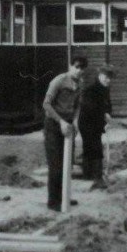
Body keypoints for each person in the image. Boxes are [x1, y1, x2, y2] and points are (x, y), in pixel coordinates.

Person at [42, 56, 87, 211]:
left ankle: (64, 196)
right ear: (70, 66)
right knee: (55, 165)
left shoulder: (80, 84)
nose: (79, 70)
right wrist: (60, 121)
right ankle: (53, 201)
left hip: (68, 126)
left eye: (82, 68)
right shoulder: (59, 81)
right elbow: (46, 104)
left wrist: (75, 121)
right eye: (77, 66)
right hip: (54, 125)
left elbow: (77, 106)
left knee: (67, 163)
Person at [78, 64, 115, 190]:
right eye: (106, 77)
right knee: (95, 148)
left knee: (91, 148)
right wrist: (103, 118)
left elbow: (108, 105)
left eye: (110, 78)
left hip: (97, 123)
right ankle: (97, 178)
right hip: (87, 123)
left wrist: (109, 114)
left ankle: (88, 175)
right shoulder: (91, 90)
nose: (108, 80)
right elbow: (91, 109)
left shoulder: (105, 89)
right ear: (100, 76)